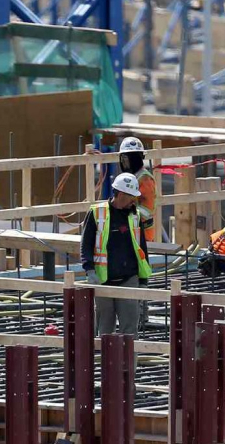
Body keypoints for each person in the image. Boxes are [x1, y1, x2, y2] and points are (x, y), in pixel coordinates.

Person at [81, 173, 151, 336]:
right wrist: (89, 270)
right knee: (105, 332)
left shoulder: (135, 215)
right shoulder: (97, 213)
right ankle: (105, 362)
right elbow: (86, 245)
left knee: (130, 332)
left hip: (129, 280)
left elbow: (141, 248)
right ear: (120, 194)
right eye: (131, 197)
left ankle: (129, 362)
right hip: (103, 281)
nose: (134, 201)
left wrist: (143, 282)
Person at [118, 136, 161, 244]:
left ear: (136, 158)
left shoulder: (145, 179)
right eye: (122, 158)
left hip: (143, 234)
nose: (124, 161)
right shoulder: (129, 177)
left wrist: (125, 212)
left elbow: (147, 211)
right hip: (129, 231)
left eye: (127, 158)